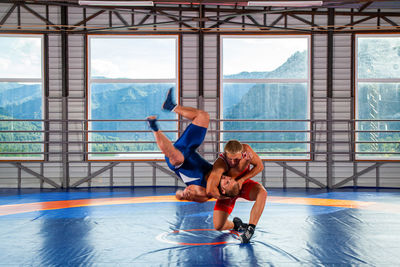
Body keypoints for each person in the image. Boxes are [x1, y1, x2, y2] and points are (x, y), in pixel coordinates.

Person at [147, 88, 239, 203]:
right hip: (188, 149)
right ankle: (171, 106)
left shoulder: (202, 193)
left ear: (223, 190)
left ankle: (153, 127)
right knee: (203, 116)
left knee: (177, 158)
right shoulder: (222, 172)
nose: (226, 178)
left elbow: (178, 195)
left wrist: (182, 194)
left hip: (178, 163)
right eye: (230, 179)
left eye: (227, 182)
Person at [207, 139, 267, 243]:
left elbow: (260, 166)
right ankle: (237, 225)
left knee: (262, 192)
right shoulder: (220, 164)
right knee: (219, 226)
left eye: (236, 159)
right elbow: (210, 190)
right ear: (226, 154)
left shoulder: (246, 149)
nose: (233, 162)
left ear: (241, 152)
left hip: (243, 185)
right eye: (230, 159)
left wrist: (242, 179)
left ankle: (250, 229)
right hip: (228, 192)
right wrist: (224, 196)